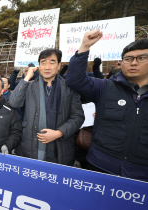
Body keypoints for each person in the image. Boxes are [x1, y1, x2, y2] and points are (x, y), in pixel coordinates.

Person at [65, 29, 148, 181]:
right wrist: (84, 47)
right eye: (128, 58)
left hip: (141, 176)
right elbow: (74, 80)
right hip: (100, 167)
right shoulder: (105, 87)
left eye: (142, 58)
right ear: (121, 63)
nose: (134, 62)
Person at [9, 48, 85, 166]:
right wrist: (27, 77)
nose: (47, 67)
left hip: (60, 149)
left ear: (59, 65)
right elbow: (13, 103)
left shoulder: (69, 88)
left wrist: (59, 133)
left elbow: (78, 117)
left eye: (52, 62)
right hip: (30, 146)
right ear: (38, 66)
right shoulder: (28, 86)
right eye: (43, 62)